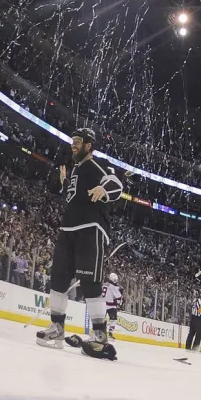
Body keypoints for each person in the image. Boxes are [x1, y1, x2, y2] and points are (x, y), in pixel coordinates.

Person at [34, 128, 123, 360]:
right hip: (67, 229)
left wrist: (103, 189)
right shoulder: (74, 169)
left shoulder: (98, 164)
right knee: (58, 279)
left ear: (89, 145)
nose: (73, 145)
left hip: (91, 230)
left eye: (78, 141)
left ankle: (100, 336)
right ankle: (57, 328)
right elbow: (68, 196)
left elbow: (117, 185)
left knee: (91, 284)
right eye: (72, 141)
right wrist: (61, 184)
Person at [102, 272, 123, 339]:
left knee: (101, 319)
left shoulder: (104, 284)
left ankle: (98, 331)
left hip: (102, 303)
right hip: (111, 305)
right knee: (113, 320)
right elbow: (118, 296)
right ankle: (110, 333)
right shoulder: (113, 286)